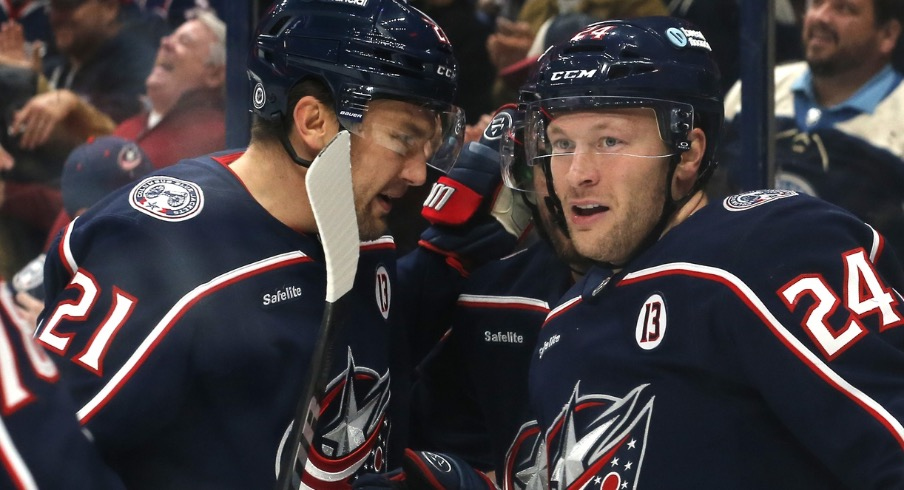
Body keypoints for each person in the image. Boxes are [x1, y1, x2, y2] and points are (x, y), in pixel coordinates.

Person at [35, 1, 465, 488]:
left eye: (428, 146)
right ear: (314, 122)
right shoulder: (161, 247)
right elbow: (38, 452)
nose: (416, 173)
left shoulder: (359, 218)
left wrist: (452, 257)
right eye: (404, 138)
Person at [508, 16, 904, 487]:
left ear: (689, 152)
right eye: (561, 144)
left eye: (608, 141)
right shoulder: (559, 328)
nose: (577, 174)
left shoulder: (768, 248)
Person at [405, 105, 594, 486]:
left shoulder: (707, 290)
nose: (577, 177)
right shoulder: (485, 301)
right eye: (555, 151)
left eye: (608, 144)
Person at [719, 0, 904, 259]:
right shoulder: (756, 87)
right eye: (816, 4)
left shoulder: (899, 119)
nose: (820, 17)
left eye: (844, 9)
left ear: (887, 35)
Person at [3, 135, 153, 329]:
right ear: (83, 217)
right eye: (122, 205)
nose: (142, 215)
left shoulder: (172, 260)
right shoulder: (53, 276)